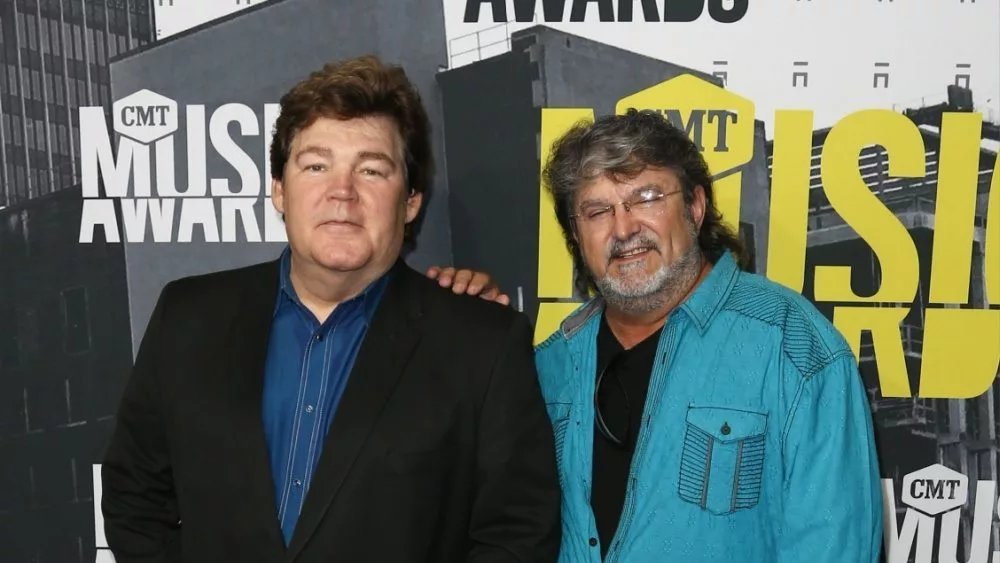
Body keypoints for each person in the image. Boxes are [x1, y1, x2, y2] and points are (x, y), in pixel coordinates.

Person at [101, 55, 562, 563]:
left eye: (371, 170)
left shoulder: (483, 343)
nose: (342, 193)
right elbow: (133, 497)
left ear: (410, 201)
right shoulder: (187, 318)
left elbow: (517, 534)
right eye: (316, 165)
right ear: (279, 189)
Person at [431, 109, 883, 562]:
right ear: (575, 233)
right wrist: (471, 342)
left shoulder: (797, 350)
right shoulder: (548, 367)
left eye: (646, 198)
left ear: (695, 206)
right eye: (597, 211)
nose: (624, 229)